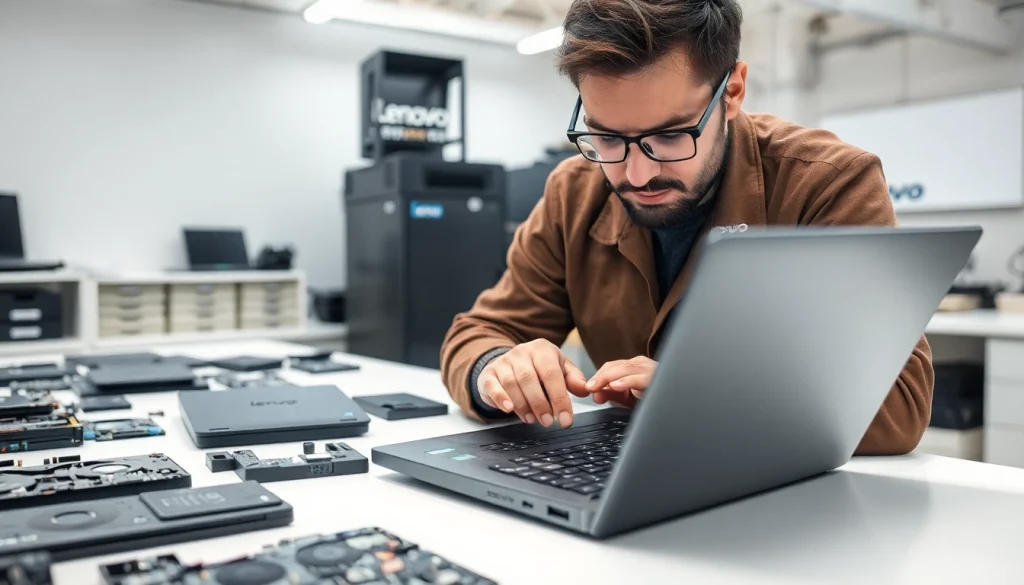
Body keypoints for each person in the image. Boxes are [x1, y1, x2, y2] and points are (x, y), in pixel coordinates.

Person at [440, 0, 933, 455]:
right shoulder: (573, 191)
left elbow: (898, 404)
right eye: (607, 137)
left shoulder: (826, 184)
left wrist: (706, 397)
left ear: (732, 91)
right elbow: (479, 334)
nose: (636, 175)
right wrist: (497, 371)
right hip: (629, 485)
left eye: (671, 135)